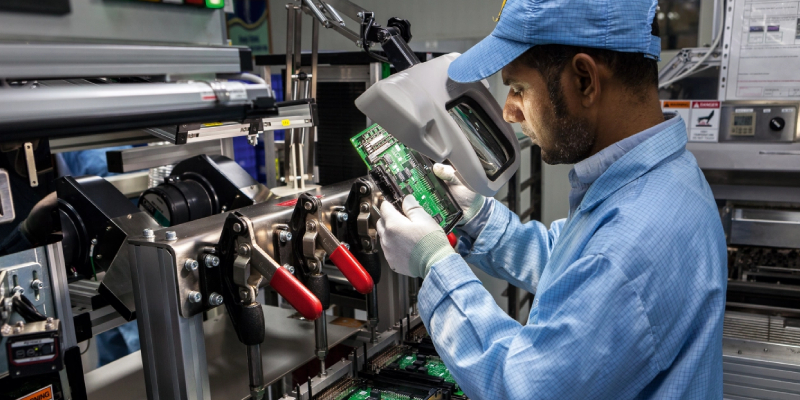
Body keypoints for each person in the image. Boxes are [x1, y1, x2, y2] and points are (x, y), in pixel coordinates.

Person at [376, 0, 727, 398]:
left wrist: (434, 262)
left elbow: (521, 387)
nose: (509, 112)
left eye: (519, 88)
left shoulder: (632, 242)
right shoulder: (663, 179)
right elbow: (576, 270)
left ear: (584, 81)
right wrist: (480, 219)